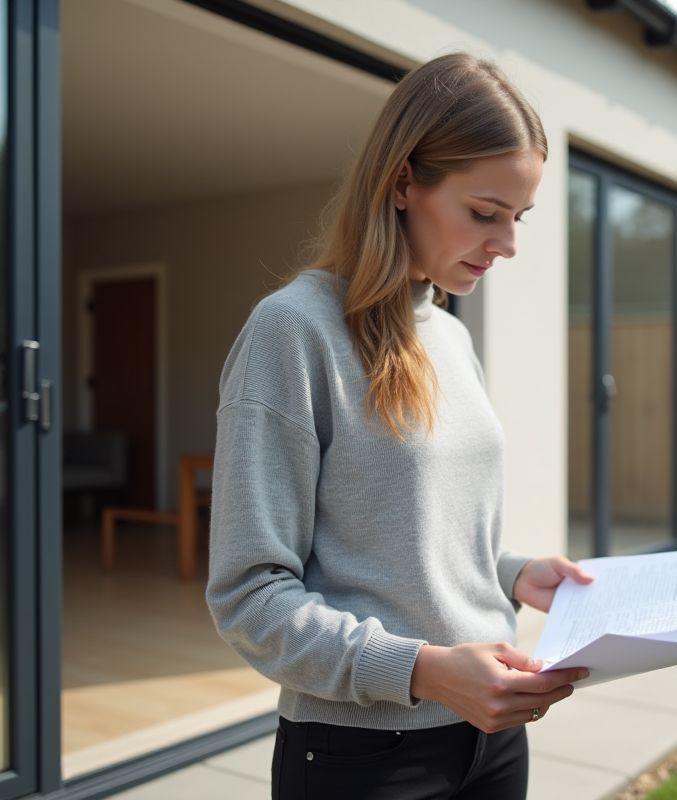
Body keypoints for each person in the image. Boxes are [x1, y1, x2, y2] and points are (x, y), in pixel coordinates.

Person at [206, 53, 592, 800]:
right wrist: (422, 671)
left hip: (493, 734)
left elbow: (408, 532)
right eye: (485, 213)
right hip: (364, 757)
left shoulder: (448, 336)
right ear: (404, 182)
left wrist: (513, 572)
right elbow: (250, 596)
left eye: (519, 217)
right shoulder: (292, 332)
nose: (508, 244)